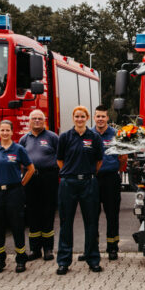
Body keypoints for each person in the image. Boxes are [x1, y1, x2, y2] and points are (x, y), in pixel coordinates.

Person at [55, 106, 104, 274]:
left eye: (83, 116)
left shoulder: (94, 138)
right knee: (65, 222)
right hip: (68, 183)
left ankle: (93, 259)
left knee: (91, 222)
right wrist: (71, 173)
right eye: (77, 116)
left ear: (87, 118)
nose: (80, 119)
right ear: (73, 118)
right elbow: (60, 160)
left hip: (88, 183)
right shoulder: (65, 137)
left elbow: (99, 161)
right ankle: (63, 261)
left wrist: (86, 174)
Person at [0, 120, 35, 273]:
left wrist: (21, 184)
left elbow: (31, 169)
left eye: (8, 130)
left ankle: (21, 259)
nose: (5, 133)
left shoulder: (18, 149)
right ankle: (0, 261)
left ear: (12, 132)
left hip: (14, 192)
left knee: (17, 225)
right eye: (2, 130)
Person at [20, 110, 60, 261]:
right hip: (30, 179)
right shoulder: (24, 139)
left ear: (44, 121)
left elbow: (60, 157)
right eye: (34, 119)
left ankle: (48, 249)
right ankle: (35, 250)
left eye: (39, 118)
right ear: (29, 121)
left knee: (48, 212)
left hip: (48, 177)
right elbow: (20, 161)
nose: (37, 121)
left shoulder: (52, 137)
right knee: (32, 213)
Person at [91, 106, 127, 261]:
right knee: (91, 215)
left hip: (111, 179)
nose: (100, 119)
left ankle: (112, 248)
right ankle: (91, 249)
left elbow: (123, 157)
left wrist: (114, 169)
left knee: (112, 215)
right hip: (92, 179)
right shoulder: (88, 134)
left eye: (103, 116)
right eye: (98, 116)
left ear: (107, 118)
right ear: (94, 117)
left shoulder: (115, 134)